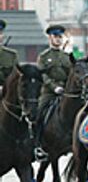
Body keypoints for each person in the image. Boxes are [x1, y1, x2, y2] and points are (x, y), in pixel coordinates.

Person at [35, 24, 71, 161]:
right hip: (49, 92)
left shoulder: (67, 57)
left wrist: (67, 88)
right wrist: (54, 87)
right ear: (50, 38)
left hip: (65, 92)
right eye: (55, 37)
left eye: (60, 37)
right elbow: (43, 76)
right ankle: (38, 144)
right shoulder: (44, 56)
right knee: (38, 114)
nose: (58, 39)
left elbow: (71, 75)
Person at [0, 19, 19, 97]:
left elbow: (16, 77)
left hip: (7, 93)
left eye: (0, 33)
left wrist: (4, 87)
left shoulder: (12, 55)